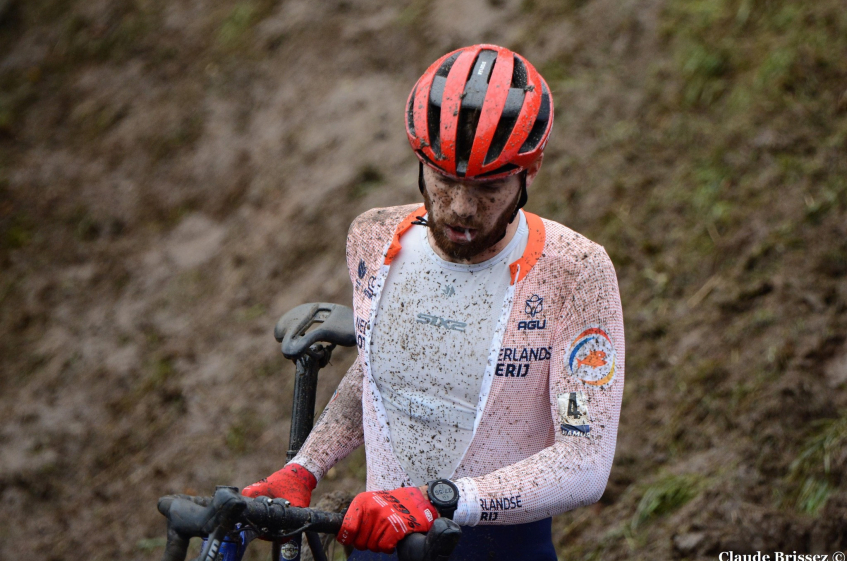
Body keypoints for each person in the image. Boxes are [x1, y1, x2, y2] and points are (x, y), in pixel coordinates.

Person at [243, 44, 625, 561]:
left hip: (499, 548)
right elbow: (378, 377)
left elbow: (585, 461)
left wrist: (441, 501)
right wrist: (304, 467)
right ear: (420, 163)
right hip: (379, 538)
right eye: (444, 180)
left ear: (528, 175)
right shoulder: (373, 239)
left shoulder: (576, 272)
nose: (462, 209)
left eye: (489, 187)